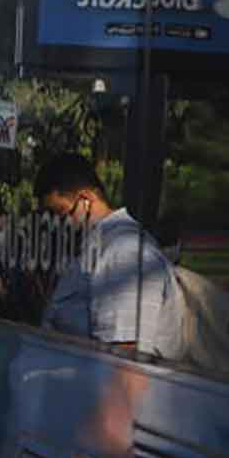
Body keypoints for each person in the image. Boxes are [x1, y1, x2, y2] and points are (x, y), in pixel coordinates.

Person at [36, 152, 183, 359]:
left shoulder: (124, 253)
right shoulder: (96, 247)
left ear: (86, 199)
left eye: (60, 213)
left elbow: (124, 366)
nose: (57, 224)